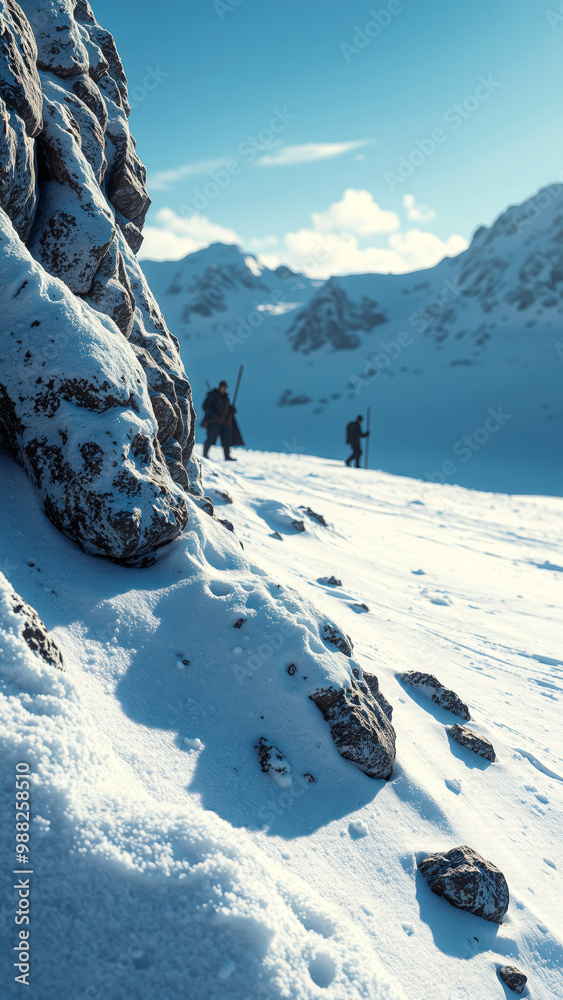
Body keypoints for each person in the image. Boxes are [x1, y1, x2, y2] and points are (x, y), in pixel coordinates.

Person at [202, 380, 237, 461]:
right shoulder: (213, 395)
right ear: (219, 387)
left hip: (224, 422)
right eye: (222, 387)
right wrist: (215, 415)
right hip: (214, 421)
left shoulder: (226, 398)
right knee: (211, 438)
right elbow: (205, 407)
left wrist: (231, 410)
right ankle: (205, 454)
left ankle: (227, 456)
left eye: (225, 388)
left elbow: (227, 408)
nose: (223, 389)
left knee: (227, 438)